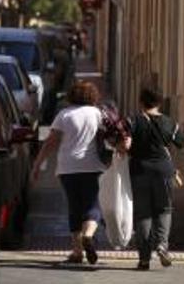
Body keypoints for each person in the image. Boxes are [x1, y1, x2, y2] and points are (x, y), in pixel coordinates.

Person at [31, 81, 106, 265]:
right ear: (92, 96)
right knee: (93, 205)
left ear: (72, 96)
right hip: (92, 166)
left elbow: (50, 142)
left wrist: (37, 164)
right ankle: (88, 235)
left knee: (74, 207)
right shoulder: (97, 113)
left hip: (67, 168)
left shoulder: (64, 115)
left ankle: (77, 251)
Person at [121, 88, 184, 270]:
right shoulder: (169, 122)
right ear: (159, 103)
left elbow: (120, 141)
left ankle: (144, 259)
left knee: (143, 213)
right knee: (164, 209)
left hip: (139, 170)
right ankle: (162, 246)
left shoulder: (133, 121)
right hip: (163, 170)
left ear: (141, 102)